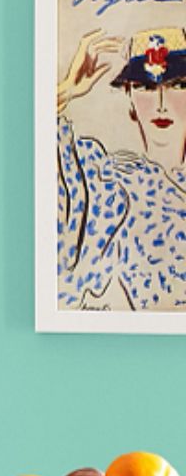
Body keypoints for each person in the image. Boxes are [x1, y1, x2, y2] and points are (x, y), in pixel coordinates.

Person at [57, 23, 186, 310]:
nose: (161, 103)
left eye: (178, 85)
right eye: (145, 88)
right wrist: (65, 91)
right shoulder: (106, 182)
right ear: (129, 96)